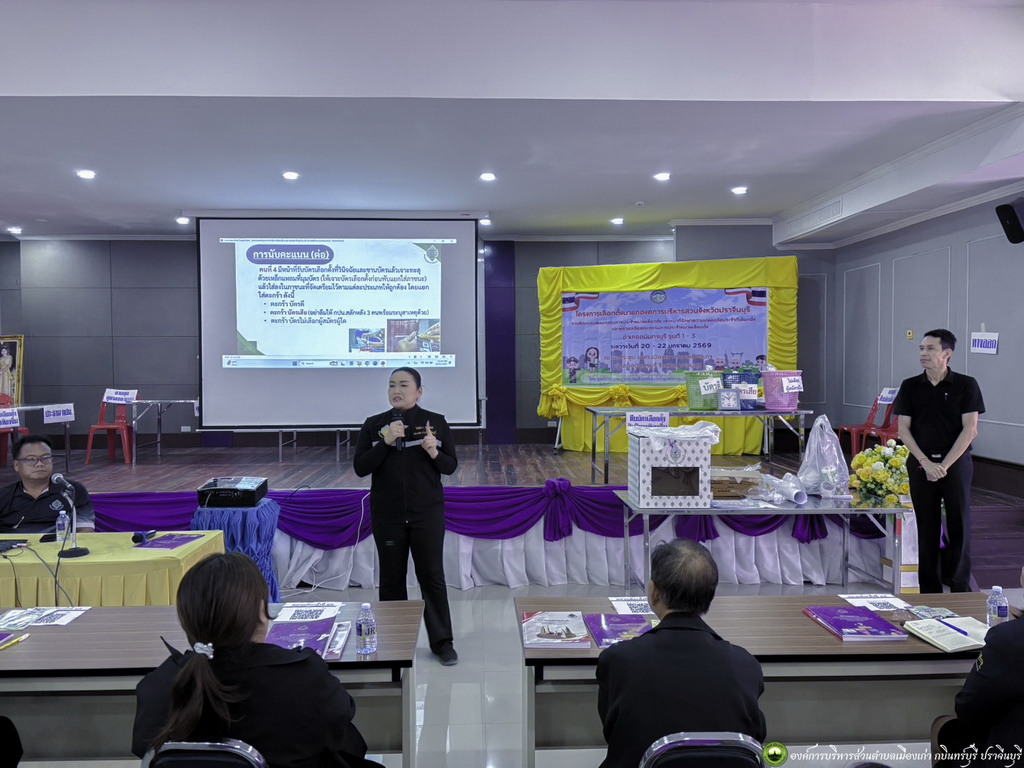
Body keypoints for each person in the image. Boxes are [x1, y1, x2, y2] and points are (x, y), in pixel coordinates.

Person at [132, 552, 379, 768]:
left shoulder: (160, 686)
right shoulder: (303, 678)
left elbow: (143, 745)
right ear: (261, 611)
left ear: (187, 620)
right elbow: (339, 720)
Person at [596, 539, 766, 768]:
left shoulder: (619, 660)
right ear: (711, 596)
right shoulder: (745, 664)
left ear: (653, 593)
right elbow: (756, 734)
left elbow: (612, 731)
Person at [353, 367, 459, 666]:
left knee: (432, 578)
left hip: (427, 514)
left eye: (403, 385)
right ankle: (393, 642)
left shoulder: (435, 423)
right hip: (388, 516)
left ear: (419, 391)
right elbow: (361, 467)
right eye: (391, 385)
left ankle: (442, 643)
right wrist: (386, 441)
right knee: (391, 579)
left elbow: (450, 466)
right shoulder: (374, 425)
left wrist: (434, 451)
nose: (396, 390)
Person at [894, 329, 984, 593]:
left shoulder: (966, 385)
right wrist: (926, 462)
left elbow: (970, 429)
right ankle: (930, 591)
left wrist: (944, 465)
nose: (923, 353)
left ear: (947, 353)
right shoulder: (910, 386)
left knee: (959, 526)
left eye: (930, 349)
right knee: (926, 527)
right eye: (921, 348)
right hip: (921, 464)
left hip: (956, 465)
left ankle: (960, 589)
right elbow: (903, 430)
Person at [0, 435, 94, 533]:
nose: (40, 464)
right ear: (16, 465)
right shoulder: (3, 496)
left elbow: (85, 529)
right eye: (31, 459)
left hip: (59, 541)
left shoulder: (71, 490)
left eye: (45, 458)